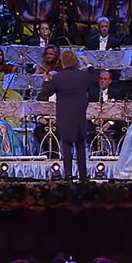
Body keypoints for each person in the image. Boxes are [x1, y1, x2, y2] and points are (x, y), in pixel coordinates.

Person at [39, 51, 96, 180]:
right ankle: (83, 176)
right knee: (81, 145)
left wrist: (47, 80)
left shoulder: (58, 78)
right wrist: (88, 63)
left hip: (64, 115)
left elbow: (46, 93)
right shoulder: (83, 76)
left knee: (67, 145)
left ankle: (68, 175)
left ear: (63, 62)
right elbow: (94, 78)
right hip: (80, 115)